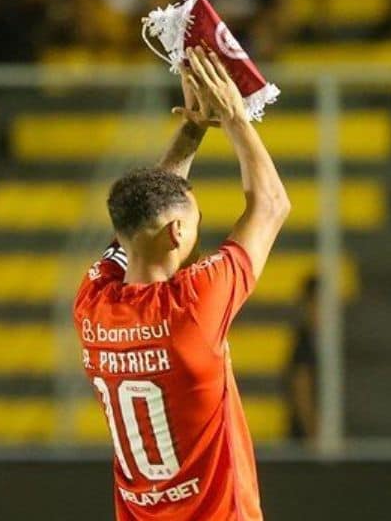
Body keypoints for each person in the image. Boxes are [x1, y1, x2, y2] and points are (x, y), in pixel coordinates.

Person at [73, 46, 289, 520]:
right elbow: (270, 206)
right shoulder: (194, 305)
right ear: (176, 234)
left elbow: (141, 215)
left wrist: (193, 130)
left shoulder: (92, 304)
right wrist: (234, 116)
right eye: (193, 222)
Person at [284, 275, 319, 445]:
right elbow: (301, 389)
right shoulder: (304, 342)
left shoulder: (318, 341)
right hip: (304, 441)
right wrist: (313, 434)